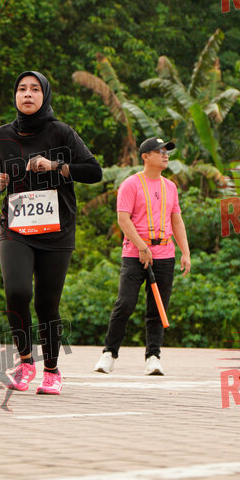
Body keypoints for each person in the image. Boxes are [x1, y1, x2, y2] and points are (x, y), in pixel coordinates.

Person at [0, 71, 102, 394]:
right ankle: (25, 362)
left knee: (47, 303)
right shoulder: (2, 134)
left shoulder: (61, 133)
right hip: (16, 228)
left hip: (56, 231)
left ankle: (51, 370)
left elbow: (94, 171)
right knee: (17, 292)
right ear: (15, 95)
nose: (27, 94)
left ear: (45, 95)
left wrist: (56, 166)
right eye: (22, 89)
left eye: (35, 89)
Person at [94, 136, 190, 376]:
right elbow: (123, 220)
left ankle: (153, 357)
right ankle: (109, 353)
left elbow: (176, 220)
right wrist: (142, 247)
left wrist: (185, 252)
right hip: (134, 253)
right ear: (145, 156)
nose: (166, 155)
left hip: (165, 253)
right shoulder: (130, 184)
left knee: (158, 307)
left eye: (167, 151)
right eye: (160, 151)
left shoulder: (170, 187)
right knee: (125, 303)